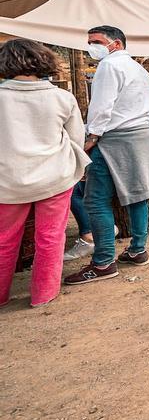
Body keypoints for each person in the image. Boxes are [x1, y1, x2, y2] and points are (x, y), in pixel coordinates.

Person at [64, 25, 149, 285]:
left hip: (113, 139)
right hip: (140, 135)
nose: (91, 46)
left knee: (95, 200)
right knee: (138, 194)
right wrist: (138, 118)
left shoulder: (109, 66)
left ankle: (103, 262)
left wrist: (92, 137)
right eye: (89, 41)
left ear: (117, 44)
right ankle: (138, 249)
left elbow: (100, 107)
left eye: (96, 41)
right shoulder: (138, 68)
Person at [0, 39, 89, 307]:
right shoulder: (62, 97)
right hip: (55, 177)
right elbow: (76, 138)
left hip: (8, 181)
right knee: (51, 237)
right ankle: (44, 293)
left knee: (4, 240)